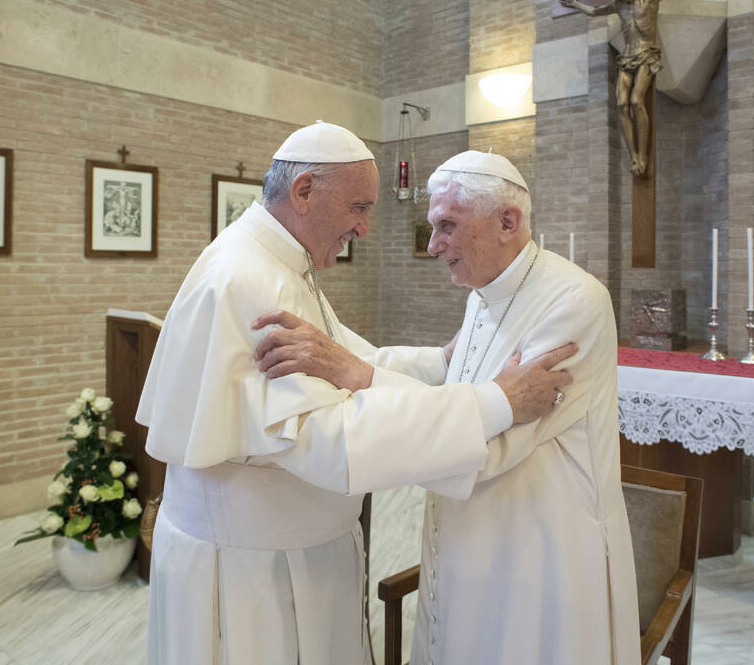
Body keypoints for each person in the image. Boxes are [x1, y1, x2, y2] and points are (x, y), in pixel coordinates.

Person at [135, 122, 576, 665]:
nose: (365, 229)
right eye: (359, 208)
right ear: (303, 193)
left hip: (286, 549)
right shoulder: (251, 280)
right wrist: (496, 404)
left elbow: (344, 361)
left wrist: (438, 364)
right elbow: (329, 440)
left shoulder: (272, 262)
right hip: (253, 569)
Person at [255, 151, 640, 664]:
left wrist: (357, 375)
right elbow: (459, 381)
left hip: (541, 549)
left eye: (447, 226)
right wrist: (350, 363)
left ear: (508, 221)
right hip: (470, 537)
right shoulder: (484, 289)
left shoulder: (572, 302)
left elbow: (492, 444)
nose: (434, 246)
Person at [559, 0, 741, 177]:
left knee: (636, 101)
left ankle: (642, 156)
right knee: (621, 104)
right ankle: (634, 156)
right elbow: (595, 11)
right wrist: (576, 4)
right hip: (626, 57)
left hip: (646, 54)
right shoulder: (619, 6)